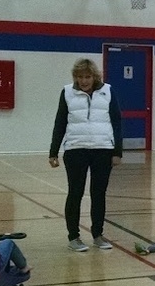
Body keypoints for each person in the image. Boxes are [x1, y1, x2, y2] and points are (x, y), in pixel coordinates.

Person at [48, 57, 122, 252]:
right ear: (75, 77)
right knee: (75, 193)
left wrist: (117, 152)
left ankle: (98, 234)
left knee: (99, 194)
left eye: (87, 76)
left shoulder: (108, 91)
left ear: (94, 76)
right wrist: (53, 151)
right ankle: (74, 237)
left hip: (103, 150)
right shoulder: (67, 92)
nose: (84, 81)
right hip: (75, 150)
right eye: (80, 77)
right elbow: (60, 123)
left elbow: (117, 123)